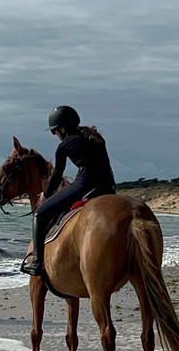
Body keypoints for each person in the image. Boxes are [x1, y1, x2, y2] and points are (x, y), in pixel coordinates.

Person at [21, 106, 116, 276]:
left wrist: (46, 194)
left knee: (40, 214)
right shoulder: (94, 137)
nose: (55, 135)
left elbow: (57, 175)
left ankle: (37, 261)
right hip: (108, 187)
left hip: (85, 184)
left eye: (54, 131)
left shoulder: (64, 145)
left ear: (63, 129)